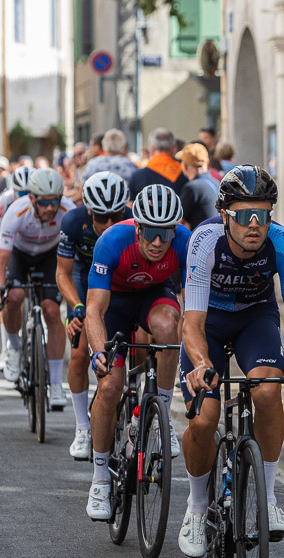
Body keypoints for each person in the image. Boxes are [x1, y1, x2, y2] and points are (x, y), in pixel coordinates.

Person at [180, 165, 284, 557]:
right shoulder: (204, 241)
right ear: (225, 216)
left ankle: (269, 497)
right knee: (204, 420)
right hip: (209, 321)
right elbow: (191, 323)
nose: (254, 224)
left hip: (254, 319)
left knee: (268, 393)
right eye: (244, 215)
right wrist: (201, 362)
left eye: (263, 214)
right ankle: (194, 507)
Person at [83, 185, 191, 521]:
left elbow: (195, 307)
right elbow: (93, 312)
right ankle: (100, 479)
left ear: (175, 230)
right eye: (151, 233)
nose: (158, 243)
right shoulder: (113, 241)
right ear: (138, 227)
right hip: (113, 303)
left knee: (169, 328)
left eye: (165, 233)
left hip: (153, 297)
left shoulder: (186, 242)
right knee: (111, 386)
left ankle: (161, 415)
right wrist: (99, 354)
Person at [57, 171, 130, 460]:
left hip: (120, 283)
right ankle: (82, 427)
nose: (110, 224)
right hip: (84, 283)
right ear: (90, 212)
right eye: (102, 218)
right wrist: (76, 306)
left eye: (116, 215)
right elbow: (63, 272)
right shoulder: (74, 221)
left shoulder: (135, 218)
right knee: (78, 353)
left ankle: (138, 405)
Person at [0, 168, 76, 410]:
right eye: (44, 202)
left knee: (51, 311)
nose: (50, 208)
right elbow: (0, 261)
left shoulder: (68, 211)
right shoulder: (16, 211)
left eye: (55, 202)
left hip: (50, 255)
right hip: (20, 255)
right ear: (32, 199)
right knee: (13, 297)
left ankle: (56, 383)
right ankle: (15, 349)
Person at [0, 165, 34, 371]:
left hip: (33, 245)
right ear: (13, 190)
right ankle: (6, 348)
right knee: (8, 296)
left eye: (28, 192)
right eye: (20, 193)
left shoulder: (40, 200)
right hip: (10, 245)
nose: (24, 196)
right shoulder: (5, 201)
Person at [128, 127, 188, 199]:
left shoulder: (137, 176)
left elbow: (130, 206)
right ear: (174, 149)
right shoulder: (185, 174)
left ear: (151, 149)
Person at [176, 142, 218, 230]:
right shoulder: (217, 183)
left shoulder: (192, 188)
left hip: (203, 241)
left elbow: (177, 222)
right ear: (207, 162)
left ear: (185, 166)